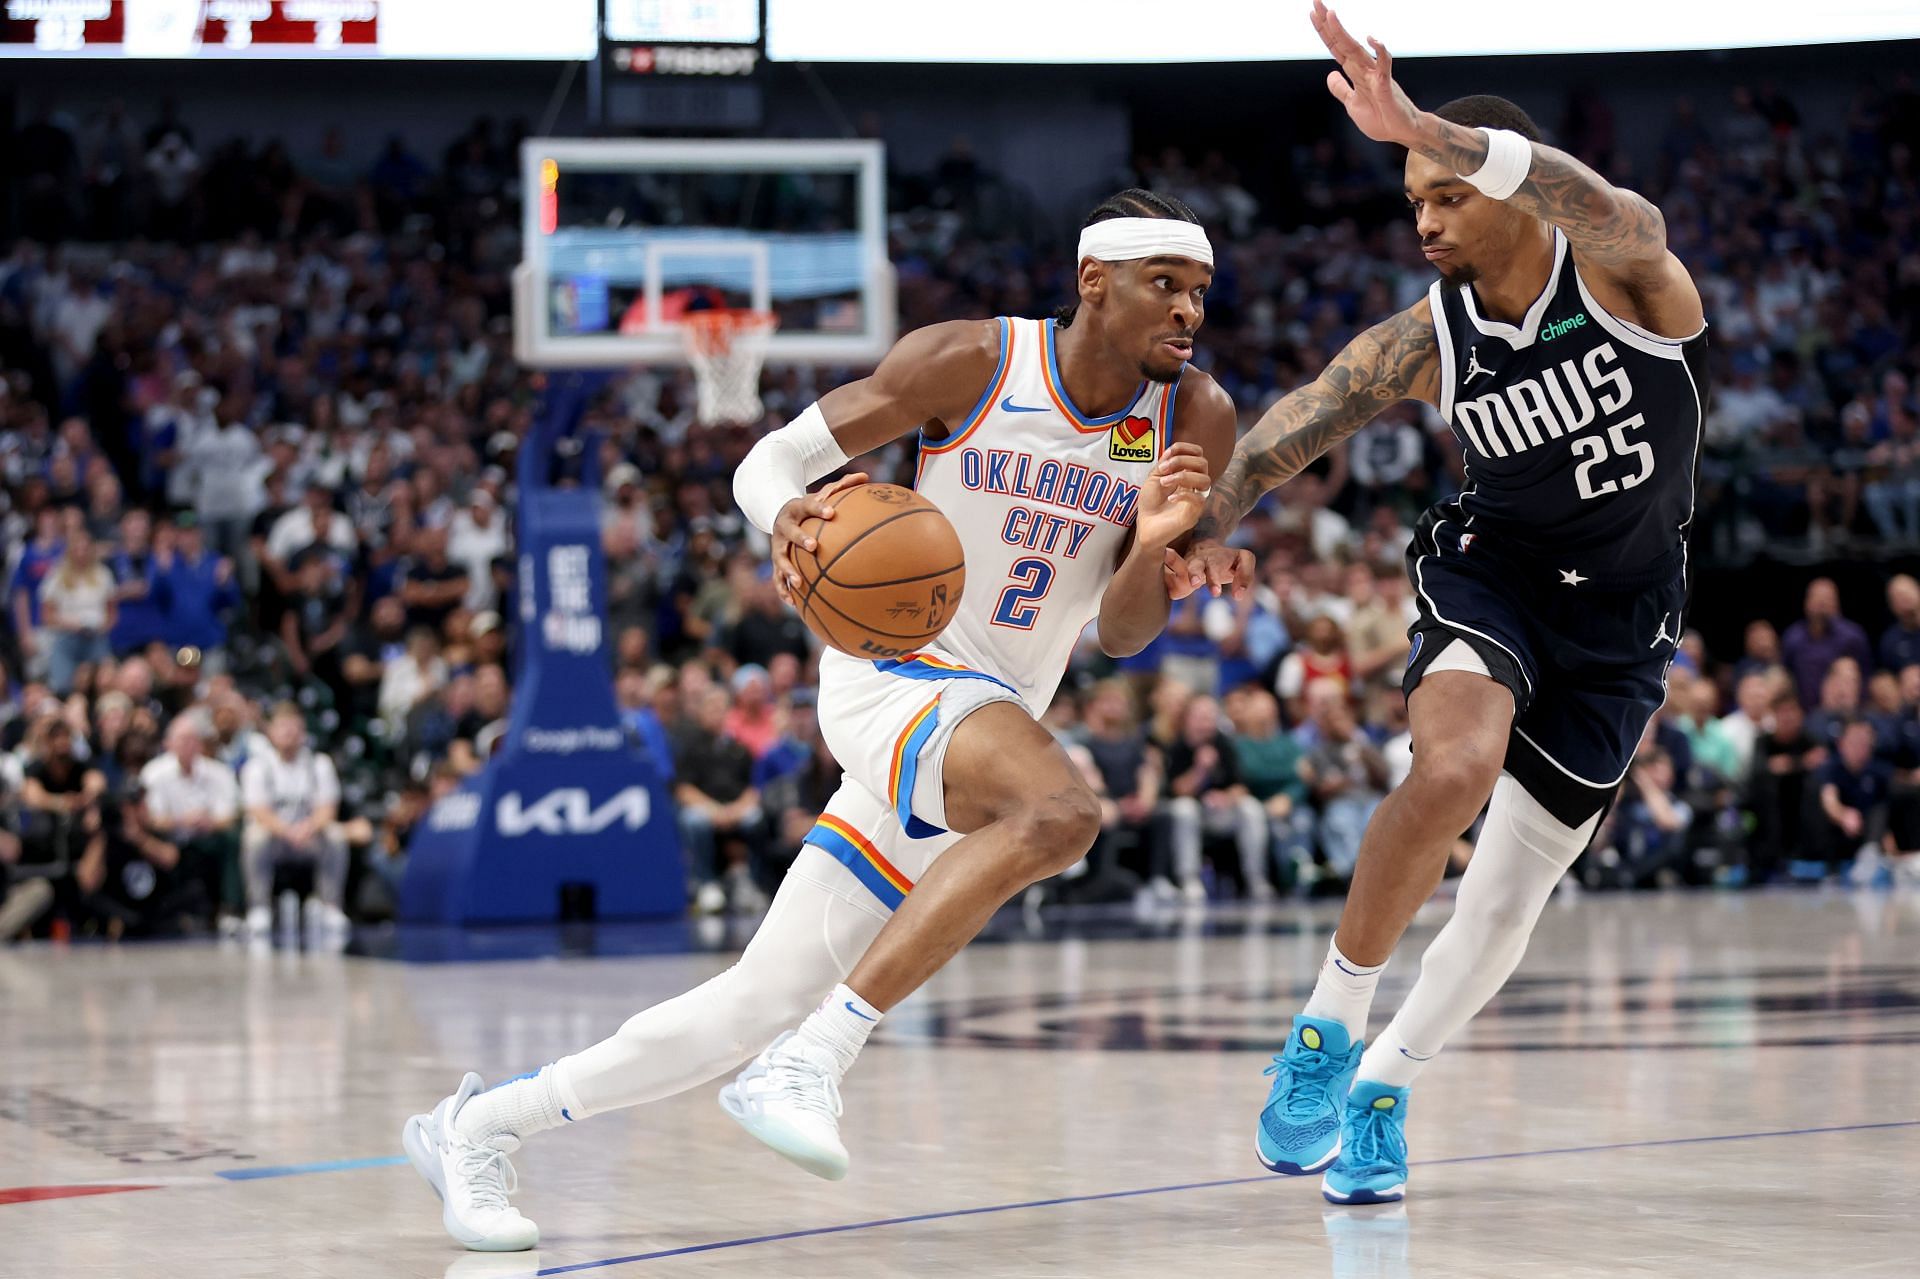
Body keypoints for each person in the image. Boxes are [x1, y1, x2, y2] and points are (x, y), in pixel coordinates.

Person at [401, 188, 1230, 1251]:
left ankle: (477, 1125)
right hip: (894, 671)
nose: (1187, 311)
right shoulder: (973, 362)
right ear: (1093, 281)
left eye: (1200, 291)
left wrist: (1159, 541)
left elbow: (1118, 632)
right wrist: (785, 515)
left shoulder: (1187, 417)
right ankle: (818, 1055)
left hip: (987, 722)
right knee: (1062, 810)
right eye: (1165, 284)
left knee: (748, 999)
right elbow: (772, 463)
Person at [1179, 3, 1708, 1206]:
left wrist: (1430, 125)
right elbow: (1304, 419)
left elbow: (1627, 211)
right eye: (1413, 199)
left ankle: (1386, 1085)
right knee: (1456, 763)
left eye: (1445, 195)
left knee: (1507, 900)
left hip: (1628, 609)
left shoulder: (1627, 276)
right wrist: (1212, 520)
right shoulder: (1432, 341)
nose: (1423, 219)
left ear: (1507, 188)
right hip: (1496, 574)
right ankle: (1323, 1032)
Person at [238, 704, 347, 940]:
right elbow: (258, 811)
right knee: (254, 838)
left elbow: (327, 809)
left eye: (294, 727)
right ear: (271, 732)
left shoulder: (319, 764)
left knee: (336, 836)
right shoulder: (258, 766)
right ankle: (259, 908)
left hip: (308, 837)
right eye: (283, 727)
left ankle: (331, 906)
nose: (289, 733)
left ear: (304, 731)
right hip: (276, 838)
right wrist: (287, 831)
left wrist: (307, 828)